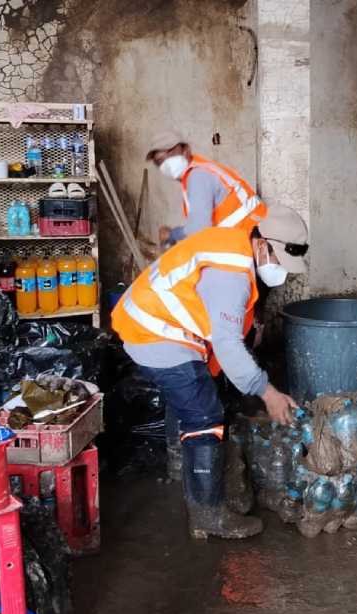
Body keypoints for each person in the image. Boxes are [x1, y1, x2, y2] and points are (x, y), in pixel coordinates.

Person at [111, 204, 309, 539]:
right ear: (262, 244)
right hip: (156, 332)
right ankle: (207, 514)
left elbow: (222, 336)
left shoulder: (233, 243)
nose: (280, 271)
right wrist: (268, 392)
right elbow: (227, 344)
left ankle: (182, 468)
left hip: (149, 321)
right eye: (278, 260)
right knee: (205, 415)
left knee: (195, 394)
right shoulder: (232, 273)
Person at [146, 130, 268, 245]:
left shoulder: (198, 176)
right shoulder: (198, 171)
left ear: (185, 150)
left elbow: (199, 227)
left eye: (170, 153)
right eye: (159, 161)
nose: (166, 163)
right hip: (249, 235)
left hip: (251, 239)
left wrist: (172, 235)